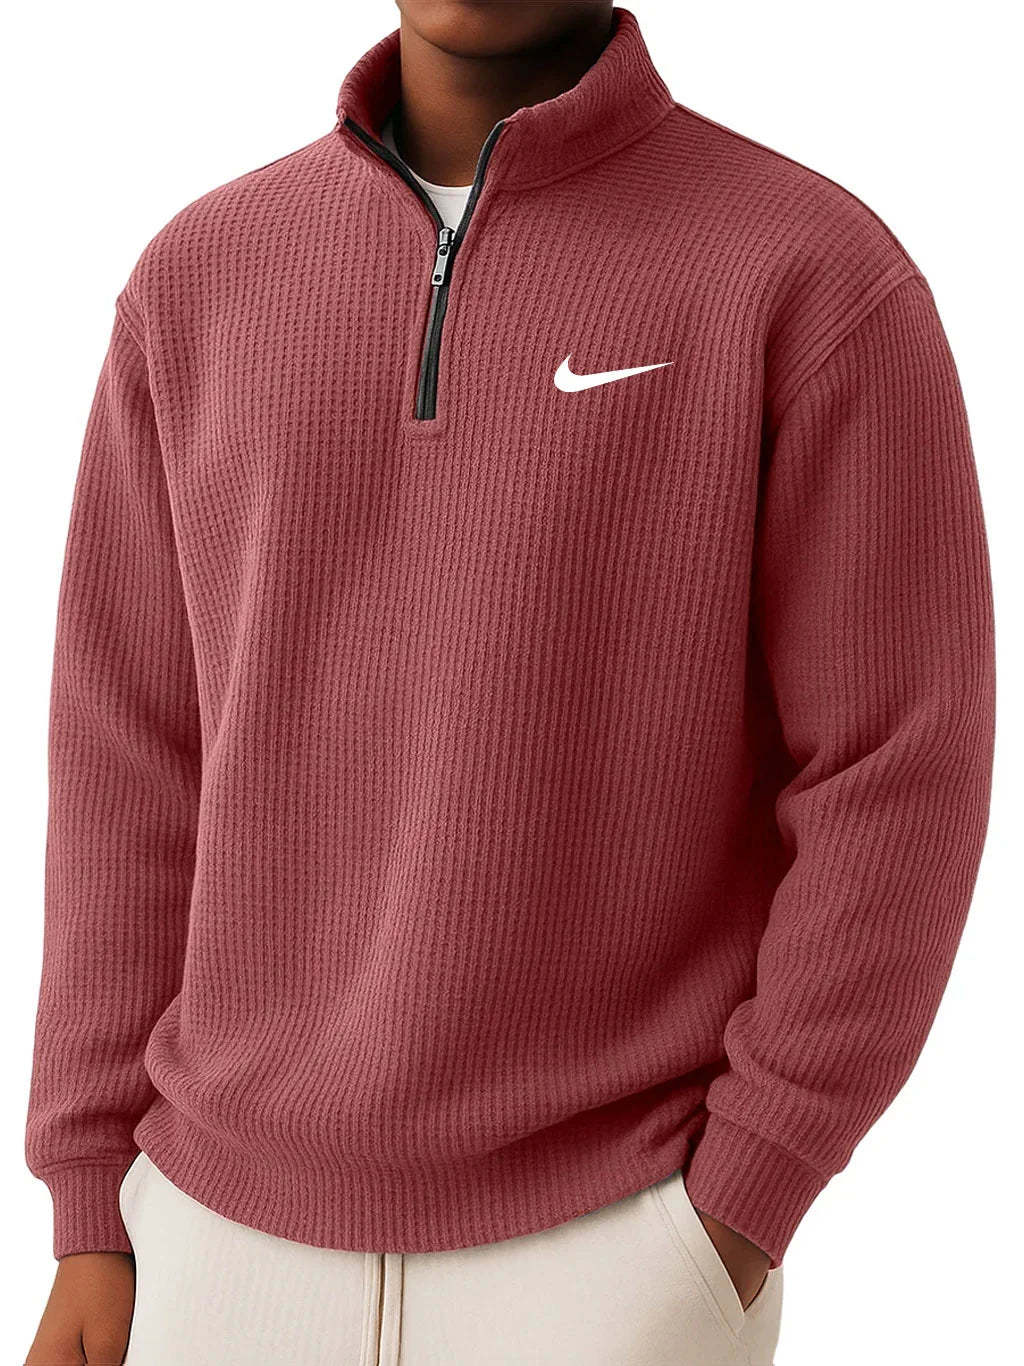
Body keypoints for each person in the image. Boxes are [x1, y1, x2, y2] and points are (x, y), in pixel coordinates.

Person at [24, 2, 994, 1363]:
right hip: (209, 1239)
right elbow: (127, 754)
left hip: (614, 1240)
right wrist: (91, 1201)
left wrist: (743, 1194)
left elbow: (899, 765)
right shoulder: (200, 278)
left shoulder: (808, 272)